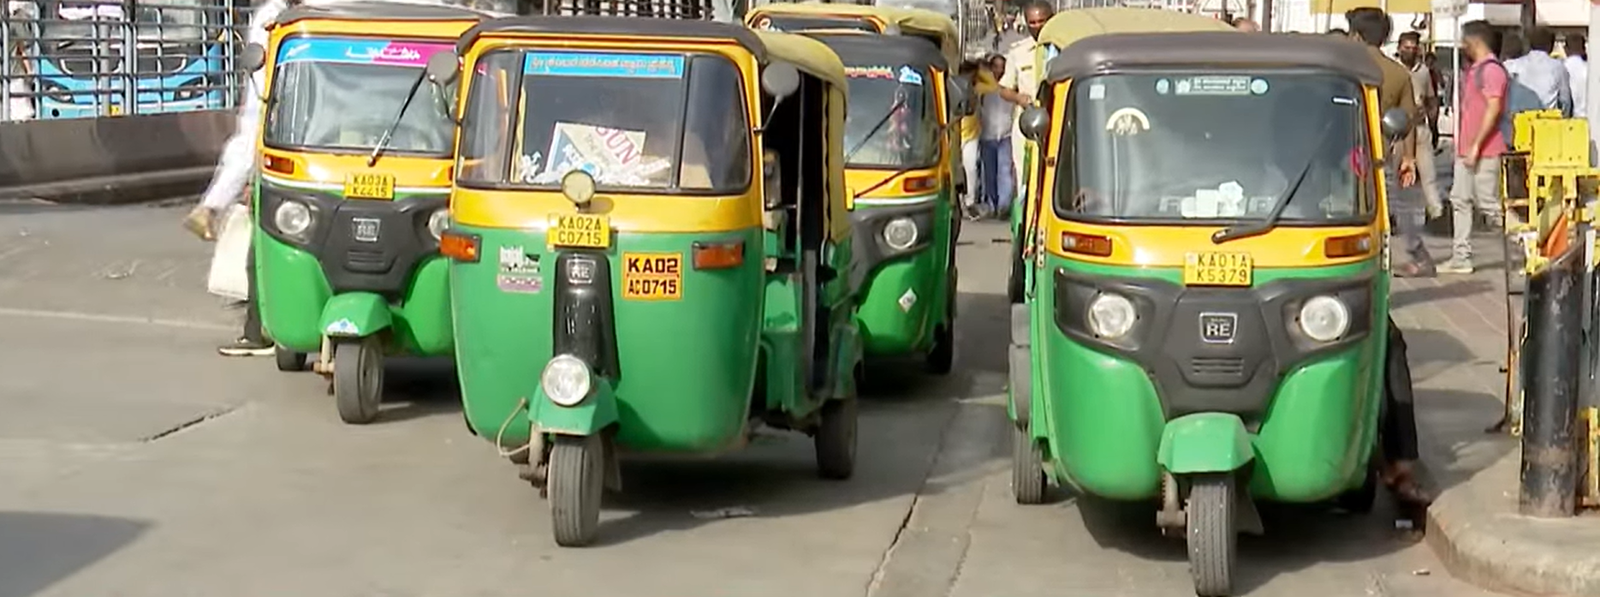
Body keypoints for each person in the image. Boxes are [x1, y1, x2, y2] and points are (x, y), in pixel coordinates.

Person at [181, 0, 310, 356]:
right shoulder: (276, 17)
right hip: (293, 151)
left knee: (269, 249)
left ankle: (265, 330)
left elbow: (258, 112)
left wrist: (217, 200)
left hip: (295, 154)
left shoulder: (283, 19)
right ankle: (263, 328)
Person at [1440, 20, 1511, 275]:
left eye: (1465, 42)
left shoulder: (1491, 71)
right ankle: (1461, 256)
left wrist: (1476, 146)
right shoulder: (1475, 70)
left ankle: (1527, 243)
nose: (1462, 46)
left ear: (1475, 42)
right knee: (1460, 200)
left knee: (1489, 204)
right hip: (1467, 148)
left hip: (1485, 149)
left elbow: (1494, 109)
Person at [999, 0, 1054, 215]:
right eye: (1032, 22)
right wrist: (1018, 98)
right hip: (1026, 125)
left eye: (1042, 21)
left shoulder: (1061, 49)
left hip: (1055, 120)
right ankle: (1026, 216)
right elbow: (1004, 89)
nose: (1037, 26)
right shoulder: (1018, 52)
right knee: (1025, 176)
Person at [1397, 31, 1444, 221]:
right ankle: (1396, 215)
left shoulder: (1423, 72)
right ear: (1399, 48)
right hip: (1398, 129)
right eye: (1406, 47)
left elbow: (1431, 100)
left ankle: (1436, 212)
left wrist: (1433, 124)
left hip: (1420, 127)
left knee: (1428, 174)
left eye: (1413, 48)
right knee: (1396, 175)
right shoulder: (1393, 69)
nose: (1409, 51)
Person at [1504, 27, 1572, 115]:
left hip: (1519, 118)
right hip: (1547, 118)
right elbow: (1565, 101)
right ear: (1551, 46)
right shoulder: (1558, 67)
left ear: (1530, 44)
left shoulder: (1514, 65)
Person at [978, 55, 1013, 219]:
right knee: (989, 174)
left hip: (1006, 135)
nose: (999, 70)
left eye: (1002, 67)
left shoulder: (1010, 87)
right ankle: (992, 205)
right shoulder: (985, 88)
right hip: (988, 135)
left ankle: (1003, 206)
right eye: (996, 66)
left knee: (1005, 171)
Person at [958, 60, 983, 221]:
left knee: (971, 168)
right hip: (956, 133)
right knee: (958, 170)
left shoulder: (977, 88)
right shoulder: (956, 87)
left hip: (971, 134)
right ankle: (959, 201)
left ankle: (970, 202)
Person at [1564, 33, 1586, 117]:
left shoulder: (1561, 68)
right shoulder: (1590, 69)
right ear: (1584, 49)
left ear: (1566, 49)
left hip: (1568, 119)